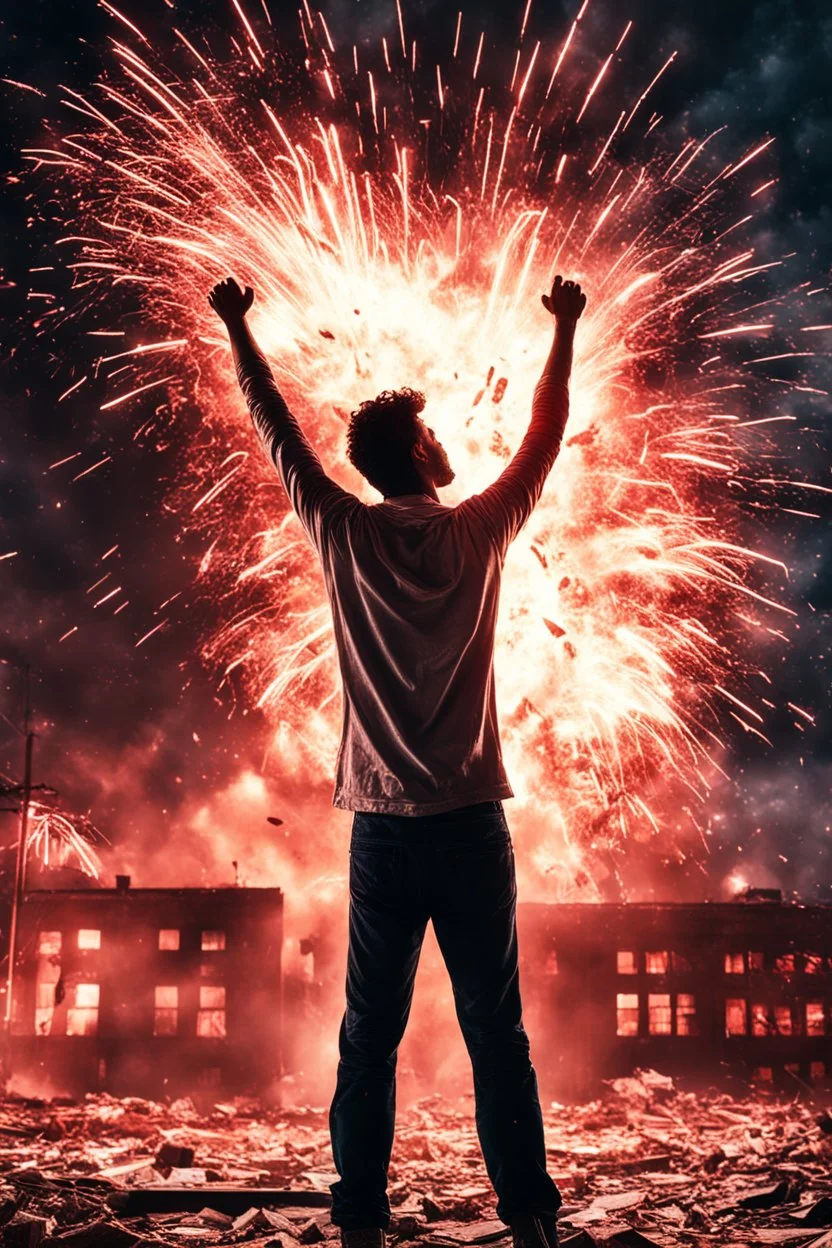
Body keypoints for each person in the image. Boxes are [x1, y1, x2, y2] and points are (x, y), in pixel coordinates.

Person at [209, 273, 586, 1248]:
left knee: (366, 1038)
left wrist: (238, 328)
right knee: (495, 1035)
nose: (441, 435)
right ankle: (530, 1221)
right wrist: (563, 329)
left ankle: (361, 1221)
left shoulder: (340, 531)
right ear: (416, 451)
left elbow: (274, 429)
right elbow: (545, 435)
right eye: (429, 430)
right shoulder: (477, 531)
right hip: (469, 825)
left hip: (382, 831)